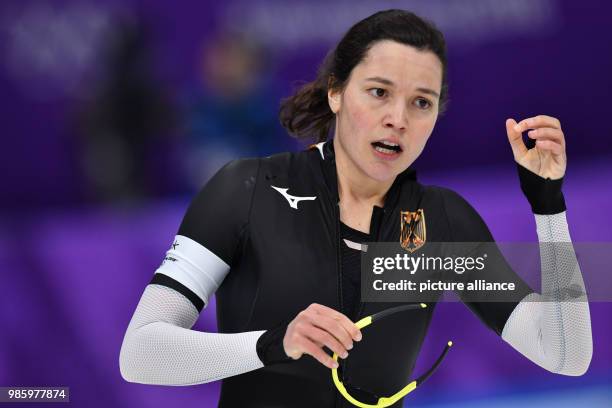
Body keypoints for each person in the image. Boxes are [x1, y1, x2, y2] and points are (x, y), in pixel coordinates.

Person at [119, 9, 592, 408]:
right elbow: (140, 352)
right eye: (379, 92)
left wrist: (548, 208)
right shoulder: (247, 190)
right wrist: (272, 344)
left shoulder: (440, 224)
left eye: (421, 102)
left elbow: (567, 355)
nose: (398, 119)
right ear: (336, 92)